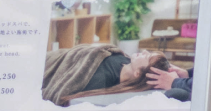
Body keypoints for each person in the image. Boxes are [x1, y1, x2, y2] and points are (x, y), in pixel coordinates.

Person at [42, 43, 190, 104]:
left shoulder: (100, 79)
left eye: (147, 57)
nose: (144, 51)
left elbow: (63, 90)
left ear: (138, 73)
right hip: (59, 55)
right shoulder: (126, 60)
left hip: (46, 65)